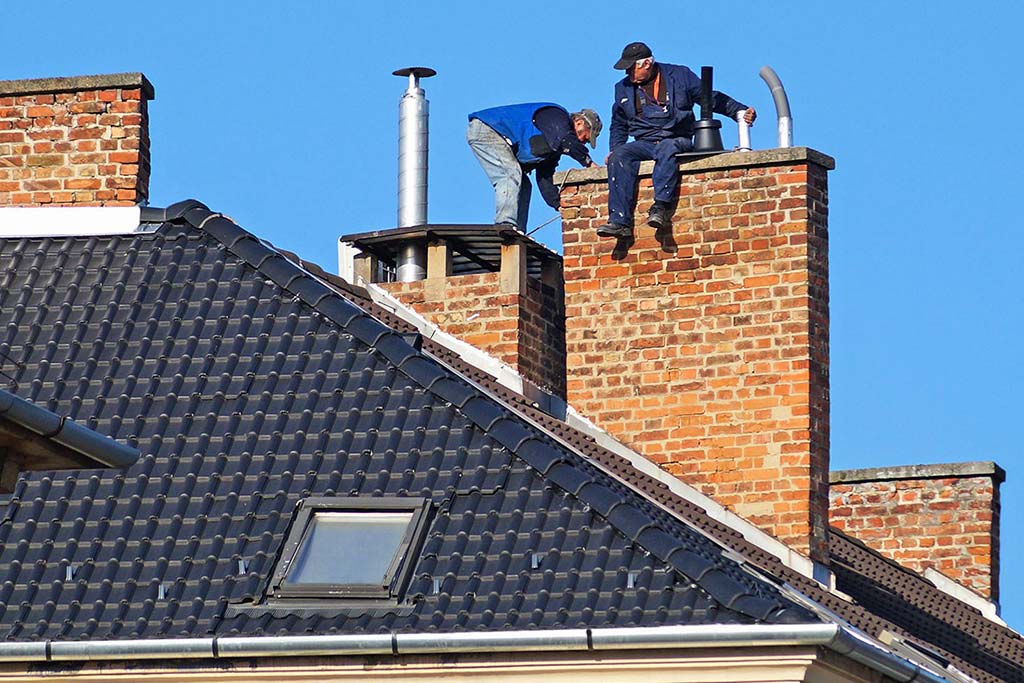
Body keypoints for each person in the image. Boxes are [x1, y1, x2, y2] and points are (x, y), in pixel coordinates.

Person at [596, 42, 757, 239]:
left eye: (631, 68)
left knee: (667, 147)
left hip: (677, 138)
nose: (628, 73)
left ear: (646, 64)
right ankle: (619, 221)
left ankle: (660, 208)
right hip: (645, 142)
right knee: (619, 156)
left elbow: (709, 98)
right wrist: (615, 148)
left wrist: (739, 111)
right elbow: (619, 123)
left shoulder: (679, 76)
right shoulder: (622, 89)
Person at [467, 103, 601, 231]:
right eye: (586, 137)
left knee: (524, 185)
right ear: (580, 123)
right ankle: (505, 223)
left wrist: (558, 204)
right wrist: (589, 163)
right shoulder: (556, 115)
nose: (584, 142)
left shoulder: (554, 148)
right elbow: (567, 141)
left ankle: (517, 231)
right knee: (510, 175)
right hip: (488, 130)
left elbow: (544, 178)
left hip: (498, 137)